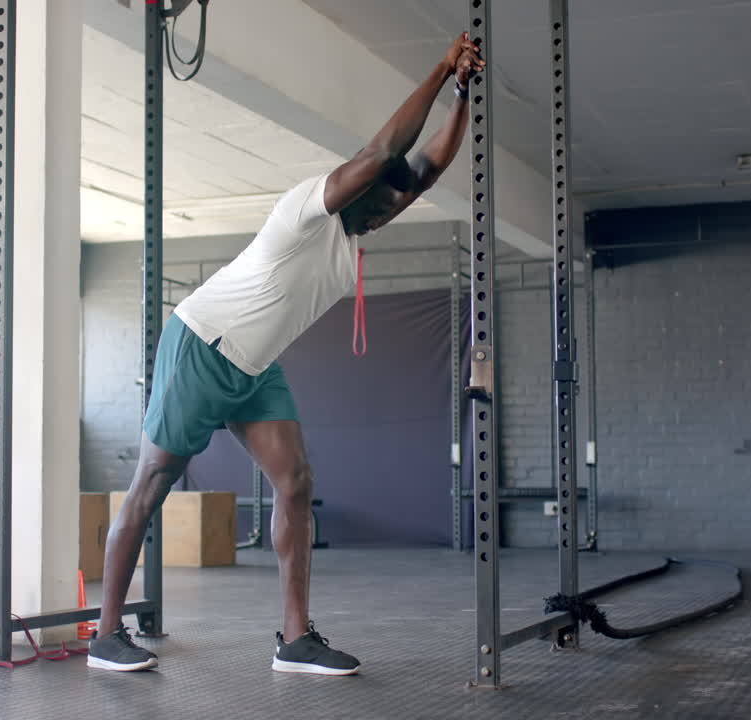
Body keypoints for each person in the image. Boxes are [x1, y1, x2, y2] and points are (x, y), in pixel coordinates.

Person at [88, 32, 485, 675]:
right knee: (151, 484)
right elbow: (387, 150)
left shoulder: (354, 233)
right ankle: (105, 635)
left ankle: (295, 639)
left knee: (296, 482)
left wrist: (464, 94)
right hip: (200, 344)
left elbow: (426, 167)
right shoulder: (306, 207)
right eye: (385, 197)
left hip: (253, 366)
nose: (392, 206)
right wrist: (442, 66)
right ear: (356, 189)